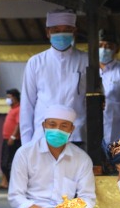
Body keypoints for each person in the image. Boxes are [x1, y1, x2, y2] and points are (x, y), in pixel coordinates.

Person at [8, 105, 97, 208]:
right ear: (44, 126)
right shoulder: (25, 154)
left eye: (64, 126)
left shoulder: (81, 159)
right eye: (52, 124)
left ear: (72, 129)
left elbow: (87, 197)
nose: (57, 129)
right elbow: (15, 197)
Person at [20, 9, 87, 146]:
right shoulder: (36, 62)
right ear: (48, 32)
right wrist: (26, 144)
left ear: (74, 32)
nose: (61, 34)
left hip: (76, 135)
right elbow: (27, 105)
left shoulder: (86, 60)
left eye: (67, 29)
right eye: (56, 30)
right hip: (43, 135)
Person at [0, 88, 21, 189]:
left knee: (8, 163)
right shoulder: (12, 109)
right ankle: (5, 182)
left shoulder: (18, 109)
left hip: (13, 140)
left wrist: (13, 136)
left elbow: (18, 124)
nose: (7, 100)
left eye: (9, 97)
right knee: (4, 162)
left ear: (15, 98)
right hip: (6, 138)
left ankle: (12, 183)